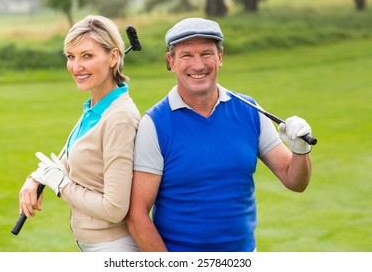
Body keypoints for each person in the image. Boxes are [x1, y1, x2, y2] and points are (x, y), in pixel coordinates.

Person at [126, 17, 313, 252]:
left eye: (206, 53)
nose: (198, 65)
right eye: (186, 55)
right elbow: (136, 215)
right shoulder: (154, 124)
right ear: (171, 61)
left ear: (220, 57)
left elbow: (294, 181)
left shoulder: (250, 109)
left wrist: (300, 151)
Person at [18, 15, 140, 252]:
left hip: (113, 248)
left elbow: (115, 209)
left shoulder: (119, 118)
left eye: (87, 56)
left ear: (113, 57)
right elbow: (69, 158)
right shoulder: (94, 108)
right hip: (90, 244)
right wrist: (36, 178)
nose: (76, 67)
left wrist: (62, 185)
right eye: (71, 57)